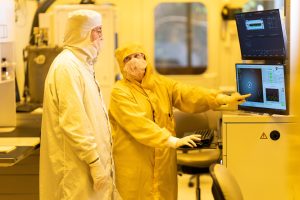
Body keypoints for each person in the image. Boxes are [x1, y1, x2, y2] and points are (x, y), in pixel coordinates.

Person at [108, 44, 250, 200]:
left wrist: (221, 98)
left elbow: (189, 94)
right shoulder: (119, 92)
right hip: (134, 163)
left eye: (137, 55)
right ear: (122, 66)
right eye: (127, 59)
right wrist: (172, 140)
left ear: (145, 58)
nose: (133, 61)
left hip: (163, 161)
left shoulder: (161, 84)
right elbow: (139, 124)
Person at [40, 10, 120, 200]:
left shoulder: (82, 65)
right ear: (82, 32)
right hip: (75, 168)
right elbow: (74, 122)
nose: (101, 36)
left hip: (87, 165)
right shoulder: (66, 67)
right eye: (97, 31)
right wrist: (94, 162)